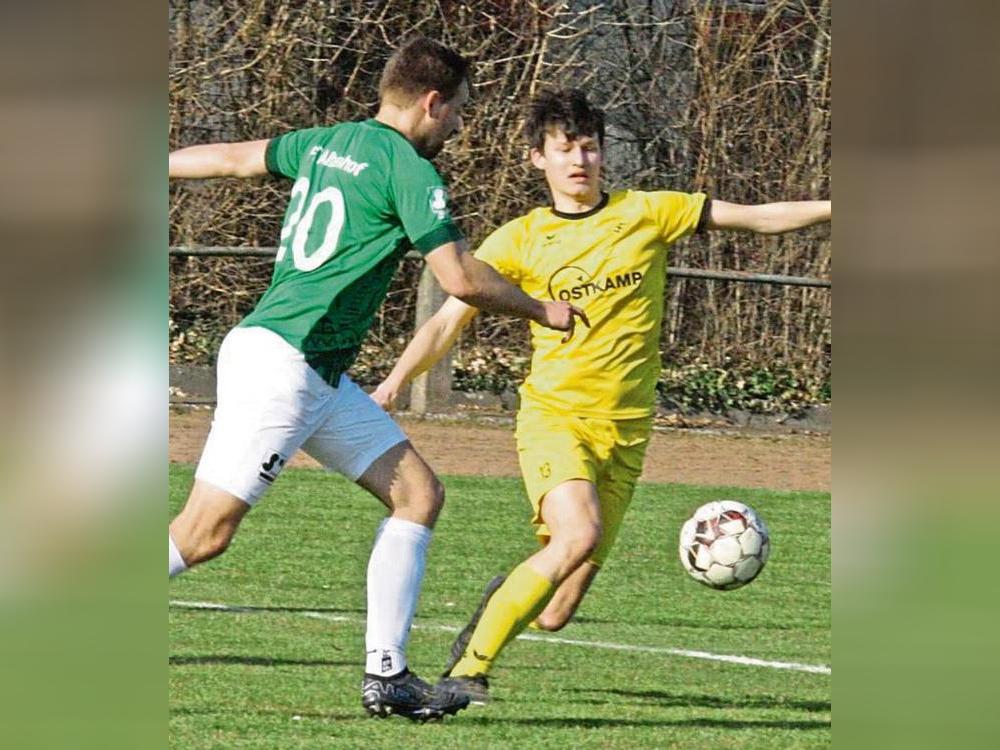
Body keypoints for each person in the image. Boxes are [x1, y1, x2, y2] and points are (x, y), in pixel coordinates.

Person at [167, 40, 586, 722]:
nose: (456, 126)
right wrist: (541, 308)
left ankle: (386, 676)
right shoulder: (408, 168)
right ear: (431, 102)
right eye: (457, 112)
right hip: (287, 364)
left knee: (419, 495)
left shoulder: (328, 142)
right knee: (202, 536)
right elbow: (459, 278)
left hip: (311, 369)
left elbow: (231, 157)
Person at [372, 87, 831, 703]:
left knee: (558, 609)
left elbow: (758, 216)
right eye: (565, 149)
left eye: (589, 148)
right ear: (539, 159)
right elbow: (446, 321)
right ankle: (465, 675)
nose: (579, 161)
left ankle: (497, 612)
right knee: (578, 536)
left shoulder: (648, 212)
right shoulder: (521, 239)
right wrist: (397, 380)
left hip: (629, 430)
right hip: (556, 420)